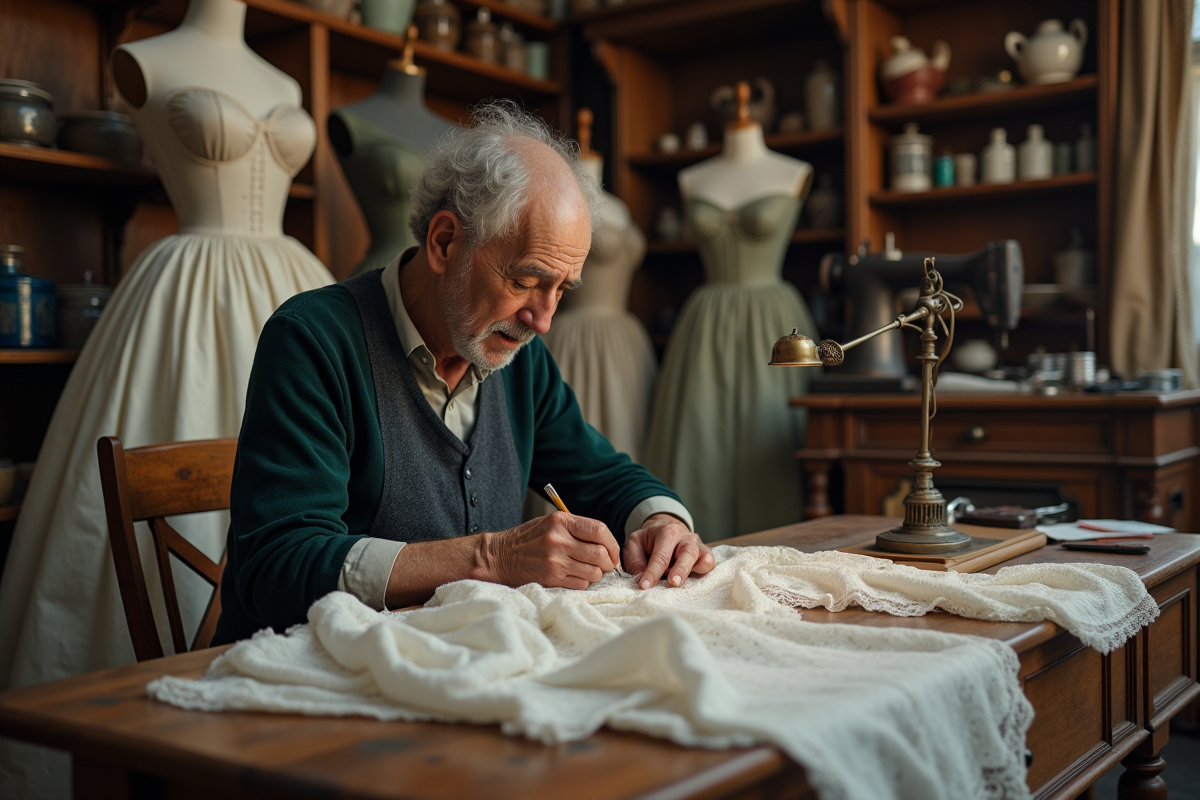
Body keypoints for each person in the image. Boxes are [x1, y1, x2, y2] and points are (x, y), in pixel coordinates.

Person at [213, 103, 714, 643]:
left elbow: (601, 474)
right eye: (526, 280)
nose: (542, 321)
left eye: (561, 290)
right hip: (298, 678)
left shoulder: (517, 357)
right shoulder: (313, 339)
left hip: (450, 667)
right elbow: (278, 567)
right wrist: (492, 558)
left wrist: (663, 524)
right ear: (445, 242)